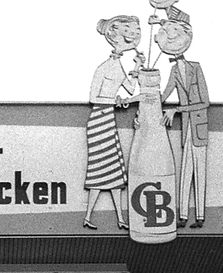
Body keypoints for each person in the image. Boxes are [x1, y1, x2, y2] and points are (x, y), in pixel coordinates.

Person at [83, 16, 143, 230]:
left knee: (115, 171)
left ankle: (119, 218)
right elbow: (93, 98)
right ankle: (89, 216)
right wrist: (114, 102)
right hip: (99, 118)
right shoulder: (103, 67)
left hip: (108, 118)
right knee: (100, 171)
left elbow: (129, 88)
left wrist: (136, 67)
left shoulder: (117, 65)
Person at [156, 19, 209, 228]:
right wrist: (150, 105)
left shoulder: (195, 68)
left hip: (198, 128)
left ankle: (201, 217)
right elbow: (167, 91)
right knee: (185, 171)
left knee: (200, 173)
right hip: (186, 127)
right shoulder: (175, 71)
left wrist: (177, 109)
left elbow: (205, 102)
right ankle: (183, 216)